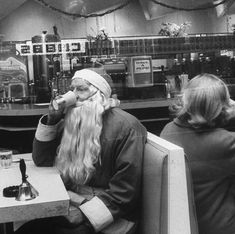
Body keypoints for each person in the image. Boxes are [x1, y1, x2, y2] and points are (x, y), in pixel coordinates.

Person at [15, 68, 147, 234]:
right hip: (75, 201)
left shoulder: (126, 127)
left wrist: (85, 215)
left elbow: (125, 192)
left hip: (111, 214)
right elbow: (42, 160)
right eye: (73, 89)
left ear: (99, 94)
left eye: (81, 89)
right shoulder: (72, 122)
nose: (74, 95)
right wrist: (52, 119)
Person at [160, 73, 235, 234]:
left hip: (184, 225)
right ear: (220, 105)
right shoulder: (225, 143)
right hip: (221, 227)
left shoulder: (169, 130)